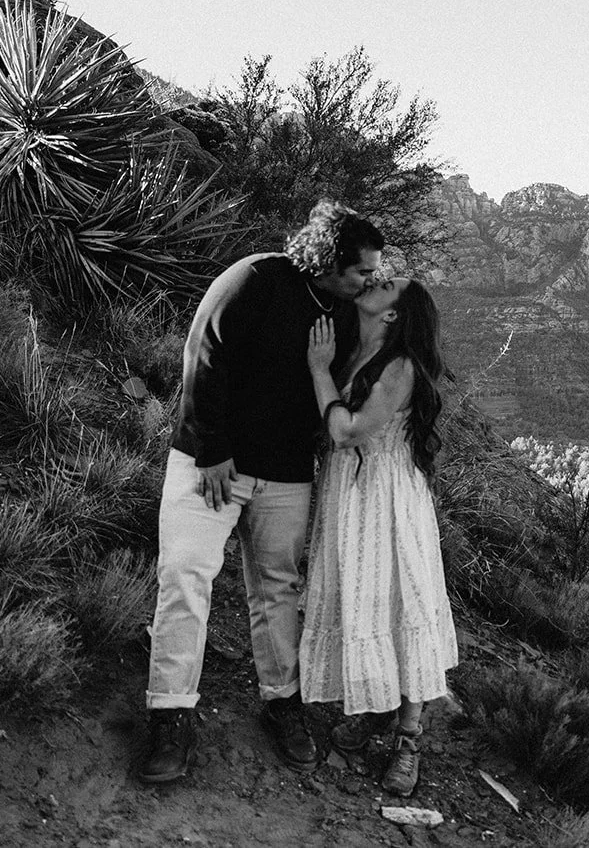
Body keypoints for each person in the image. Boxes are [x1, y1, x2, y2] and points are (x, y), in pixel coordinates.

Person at [135, 201, 386, 784]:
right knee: (185, 577)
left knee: (278, 588)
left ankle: (282, 702)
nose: (368, 281)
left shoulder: (345, 314)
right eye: (362, 272)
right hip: (211, 464)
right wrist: (213, 448)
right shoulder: (253, 280)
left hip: (287, 473)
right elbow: (203, 355)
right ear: (328, 260)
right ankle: (170, 714)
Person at [301, 276, 458, 797]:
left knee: (406, 604)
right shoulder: (357, 350)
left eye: (387, 285)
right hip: (351, 493)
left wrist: (320, 370)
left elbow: (347, 431)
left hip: (388, 498)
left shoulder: (399, 367)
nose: (375, 281)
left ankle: (408, 740)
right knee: (366, 600)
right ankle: (378, 705)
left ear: (393, 314)